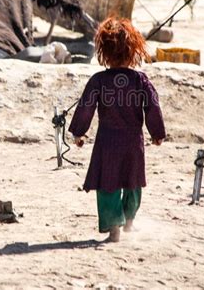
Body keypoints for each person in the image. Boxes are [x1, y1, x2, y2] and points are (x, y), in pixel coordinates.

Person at [68, 17, 166, 242]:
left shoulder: (98, 80)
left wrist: (79, 132)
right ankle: (129, 222)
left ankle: (114, 229)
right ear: (133, 50)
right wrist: (157, 134)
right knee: (133, 181)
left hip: (107, 141)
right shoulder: (141, 80)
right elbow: (153, 106)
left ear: (103, 50)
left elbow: (86, 107)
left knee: (108, 183)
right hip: (133, 141)